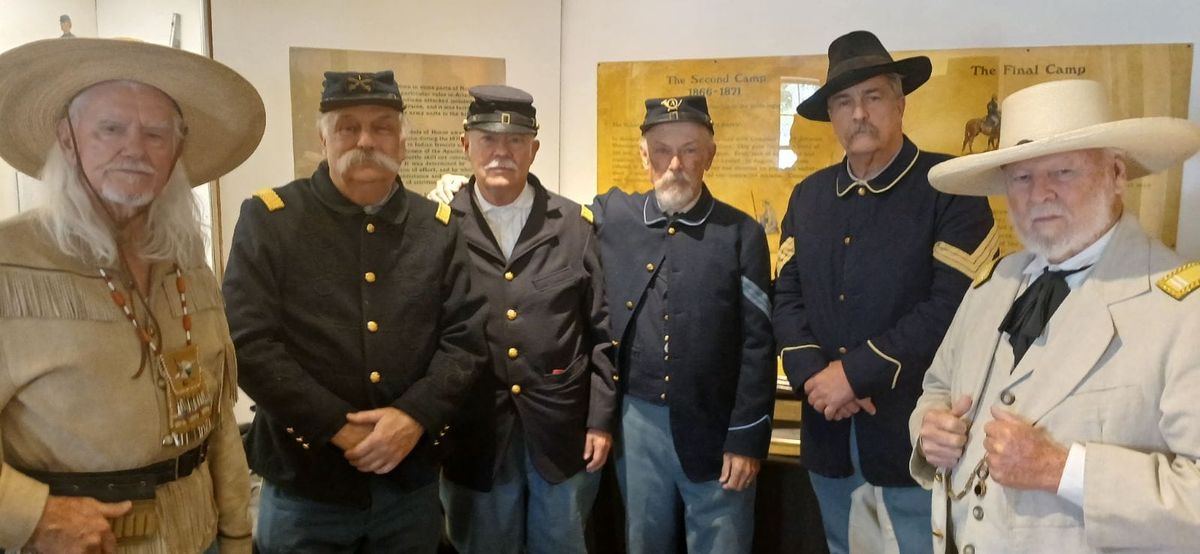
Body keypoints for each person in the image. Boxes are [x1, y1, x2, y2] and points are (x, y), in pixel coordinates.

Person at [430, 95, 775, 554]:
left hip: (714, 424)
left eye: (690, 149)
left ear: (709, 155)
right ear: (643, 155)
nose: (674, 163)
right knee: (642, 542)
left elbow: (758, 344)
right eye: (661, 149)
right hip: (637, 423)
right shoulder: (611, 217)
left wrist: (748, 436)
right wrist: (458, 189)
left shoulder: (741, 233)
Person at [911, 78, 1200, 553]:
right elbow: (937, 388)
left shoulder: (1182, 310)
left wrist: (1066, 470)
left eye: (1063, 172)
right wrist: (929, 432)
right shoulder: (993, 284)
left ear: (1116, 173)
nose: (1039, 193)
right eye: (1021, 178)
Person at [0, 38, 265, 553]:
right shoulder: (9, 262)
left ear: (178, 150)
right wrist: (31, 515)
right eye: (111, 129)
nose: (135, 150)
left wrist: (236, 534)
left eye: (155, 134)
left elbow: (217, 423)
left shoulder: (188, 262)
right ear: (67, 137)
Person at [222, 70, 488, 553]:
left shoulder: (438, 227)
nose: (365, 140)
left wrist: (413, 417)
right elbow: (248, 342)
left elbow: (465, 340)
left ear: (403, 143)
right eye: (348, 126)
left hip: (410, 484)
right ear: (322, 138)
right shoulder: (272, 220)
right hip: (306, 484)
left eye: (383, 126)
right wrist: (336, 428)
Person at [774, 30, 997, 554]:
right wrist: (817, 380)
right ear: (830, 115)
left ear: (899, 101)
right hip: (828, 433)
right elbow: (786, 299)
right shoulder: (807, 197)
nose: (858, 114)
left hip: (914, 437)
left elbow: (953, 309)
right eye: (844, 102)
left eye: (872, 96)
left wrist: (854, 375)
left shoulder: (950, 189)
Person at [437, 85, 617, 554]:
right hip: (473, 434)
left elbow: (602, 334)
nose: (501, 152)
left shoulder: (574, 226)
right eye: (488, 139)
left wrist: (600, 421)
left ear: (534, 149)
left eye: (515, 141)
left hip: (561, 435)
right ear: (465, 145)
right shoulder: (438, 227)